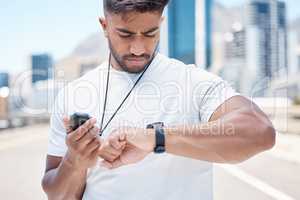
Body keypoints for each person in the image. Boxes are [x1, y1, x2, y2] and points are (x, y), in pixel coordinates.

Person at [41, 0, 276, 199]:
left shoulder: (191, 81)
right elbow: (57, 194)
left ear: (161, 24)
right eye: (125, 34)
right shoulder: (73, 94)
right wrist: (75, 161)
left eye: (150, 33)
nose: (138, 48)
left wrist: (156, 138)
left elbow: (260, 131)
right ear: (104, 26)